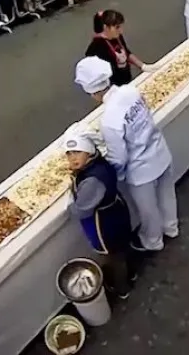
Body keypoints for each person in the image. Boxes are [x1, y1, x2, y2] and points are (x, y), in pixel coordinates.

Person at [75, 57, 179, 252]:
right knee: (167, 195)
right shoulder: (130, 90)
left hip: (141, 170)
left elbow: (119, 157)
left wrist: (112, 174)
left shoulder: (109, 120)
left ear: (92, 91)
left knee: (149, 210)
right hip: (160, 152)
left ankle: (152, 241)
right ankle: (171, 227)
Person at [64, 129, 136, 299]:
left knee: (114, 256)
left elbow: (81, 210)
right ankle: (132, 273)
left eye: (77, 152)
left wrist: (71, 207)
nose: (72, 158)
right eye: (69, 153)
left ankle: (121, 288)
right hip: (118, 211)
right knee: (123, 247)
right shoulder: (99, 163)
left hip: (106, 223)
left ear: (89, 152)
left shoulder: (92, 181)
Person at [86, 9, 155, 86]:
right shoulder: (96, 47)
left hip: (126, 79)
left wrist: (142, 66)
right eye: (117, 27)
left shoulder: (116, 36)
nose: (121, 31)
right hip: (113, 87)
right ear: (106, 27)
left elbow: (126, 53)